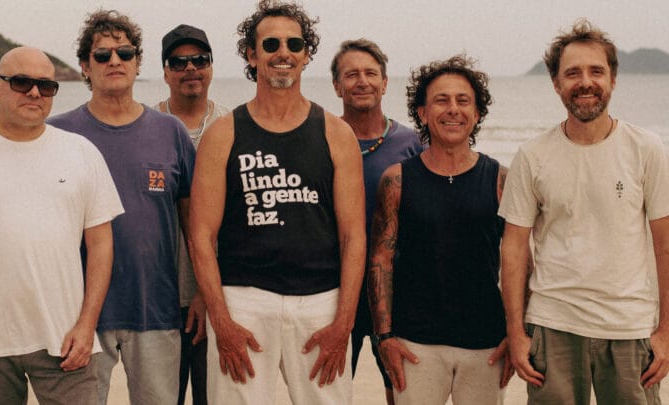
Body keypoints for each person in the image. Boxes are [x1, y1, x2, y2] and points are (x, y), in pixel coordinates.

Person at [188, 1, 365, 404]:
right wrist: (221, 321)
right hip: (243, 301)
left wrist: (344, 323)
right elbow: (201, 236)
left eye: (294, 44)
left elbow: (354, 237)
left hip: (320, 302)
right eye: (271, 44)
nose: (283, 52)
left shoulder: (337, 134)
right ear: (252, 55)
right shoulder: (223, 134)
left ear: (306, 55)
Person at [499, 19, 669, 405]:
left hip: (630, 327)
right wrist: (516, 332)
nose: (585, 82)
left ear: (613, 79)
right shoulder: (533, 155)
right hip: (553, 324)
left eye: (596, 71)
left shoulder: (646, 149)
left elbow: (665, 244)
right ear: (556, 84)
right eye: (572, 73)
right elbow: (514, 248)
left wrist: (666, 331)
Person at [0, 47, 123, 404]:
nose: (34, 93)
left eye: (45, 86)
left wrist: (87, 325)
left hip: (65, 341)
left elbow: (101, 246)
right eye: (21, 82)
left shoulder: (82, 152)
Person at [47, 10, 196, 404]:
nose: (115, 61)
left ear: (138, 63)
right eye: (102, 55)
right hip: (79, 317)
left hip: (156, 308)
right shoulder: (58, 133)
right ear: (85, 66)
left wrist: (199, 293)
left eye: (125, 53)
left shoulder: (171, 131)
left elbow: (194, 225)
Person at [368, 55, 514, 405]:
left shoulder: (500, 180)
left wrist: (517, 334)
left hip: (486, 343)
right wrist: (384, 337)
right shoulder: (397, 180)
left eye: (463, 101)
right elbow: (381, 260)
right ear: (422, 112)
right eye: (441, 100)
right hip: (415, 343)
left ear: (476, 113)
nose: (453, 110)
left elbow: (519, 262)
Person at [330, 37, 422, 405]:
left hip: (397, 290)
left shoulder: (413, 144)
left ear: (384, 83)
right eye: (351, 74)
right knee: (328, 391)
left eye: (371, 74)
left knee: (402, 390)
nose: (362, 81)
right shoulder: (322, 138)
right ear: (336, 86)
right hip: (335, 289)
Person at [153, 23, 229, 405]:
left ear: (211, 66)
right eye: (178, 62)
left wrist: (207, 290)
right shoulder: (146, 127)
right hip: (160, 297)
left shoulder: (233, 127)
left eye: (199, 60)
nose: (190, 69)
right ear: (165, 72)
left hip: (222, 294)